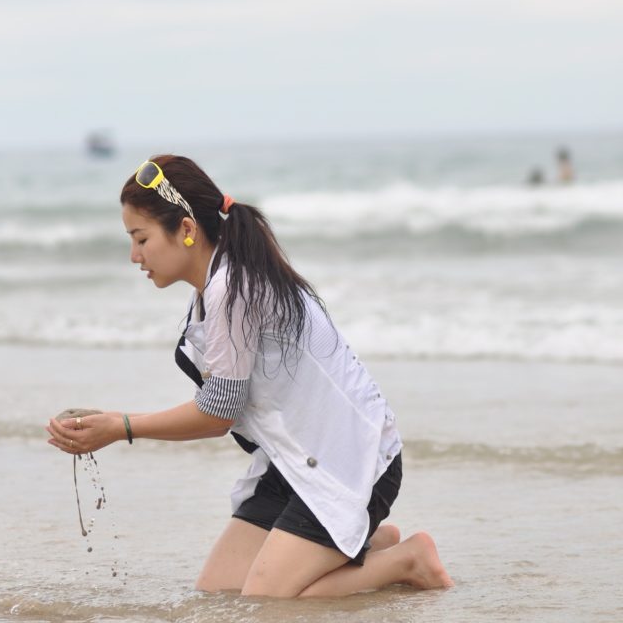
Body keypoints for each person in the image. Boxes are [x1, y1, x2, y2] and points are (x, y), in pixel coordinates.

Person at [47, 154, 453, 598]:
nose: (133, 255)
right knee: (218, 592)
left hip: (352, 461)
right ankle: (366, 545)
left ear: (185, 230)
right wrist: (116, 422)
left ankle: (407, 559)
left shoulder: (232, 287)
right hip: (294, 462)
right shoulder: (216, 285)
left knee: (267, 602)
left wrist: (121, 426)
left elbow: (219, 413)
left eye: (140, 238)